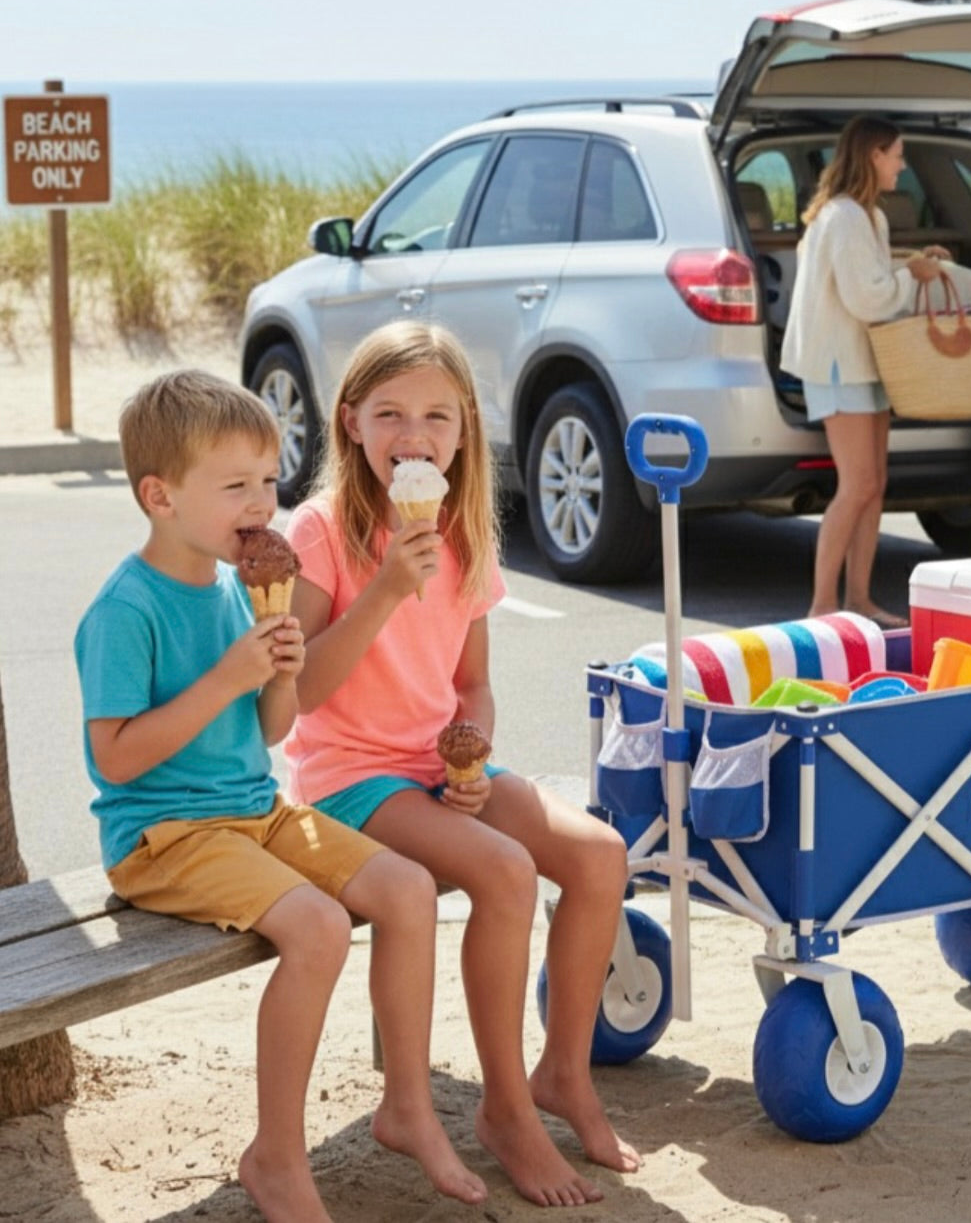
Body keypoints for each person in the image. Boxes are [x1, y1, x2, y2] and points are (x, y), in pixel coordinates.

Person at [74, 370, 487, 1223]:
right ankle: (275, 1153)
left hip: (255, 811)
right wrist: (231, 671)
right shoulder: (126, 609)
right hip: (165, 834)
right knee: (319, 925)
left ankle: (406, 1105)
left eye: (269, 480)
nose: (264, 503)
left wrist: (280, 675)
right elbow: (114, 760)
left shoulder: (240, 586)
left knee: (407, 891)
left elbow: (266, 731)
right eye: (236, 487)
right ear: (160, 496)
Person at [283, 320, 637, 1208]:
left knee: (598, 857)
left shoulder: (463, 529)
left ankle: (564, 1075)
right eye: (392, 413)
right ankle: (507, 1112)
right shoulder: (320, 532)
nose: (414, 435)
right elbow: (303, 694)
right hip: (349, 779)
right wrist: (387, 589)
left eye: (437, 416)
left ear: (465, 431)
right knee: (507, 872)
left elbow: (472, 685)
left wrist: (468, 753)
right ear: (351, 422)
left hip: (431, 767)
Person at [781, 115, 945, 626]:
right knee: (856, 485)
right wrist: (909, 273)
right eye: (897, 154)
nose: (902, 164)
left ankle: (859, 600)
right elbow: (868, 297)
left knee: (873, 484)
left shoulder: (865, 217)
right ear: (874, 154)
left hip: (862, 364)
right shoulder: (846, 217)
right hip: (838, 366)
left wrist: (910, 264)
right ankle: (823, 605)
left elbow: (869, 279)